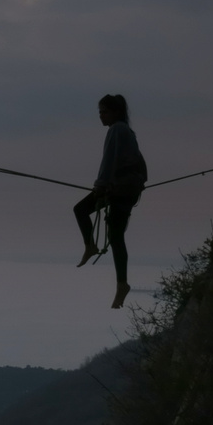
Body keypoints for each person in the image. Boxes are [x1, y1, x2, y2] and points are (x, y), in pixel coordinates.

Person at [74, 94, 147, 309]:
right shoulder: (128, 131)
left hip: (117, 189)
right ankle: (121, 283)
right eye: (100, 112)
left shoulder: (117, 129)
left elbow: (108, 160)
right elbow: (139, 163)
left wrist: (101, 184)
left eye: (104, 112)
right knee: (116, 237)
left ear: (115, 112)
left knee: (80, 209)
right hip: (129, 189)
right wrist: (140, 182)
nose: (101, 116)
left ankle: (90, 246)